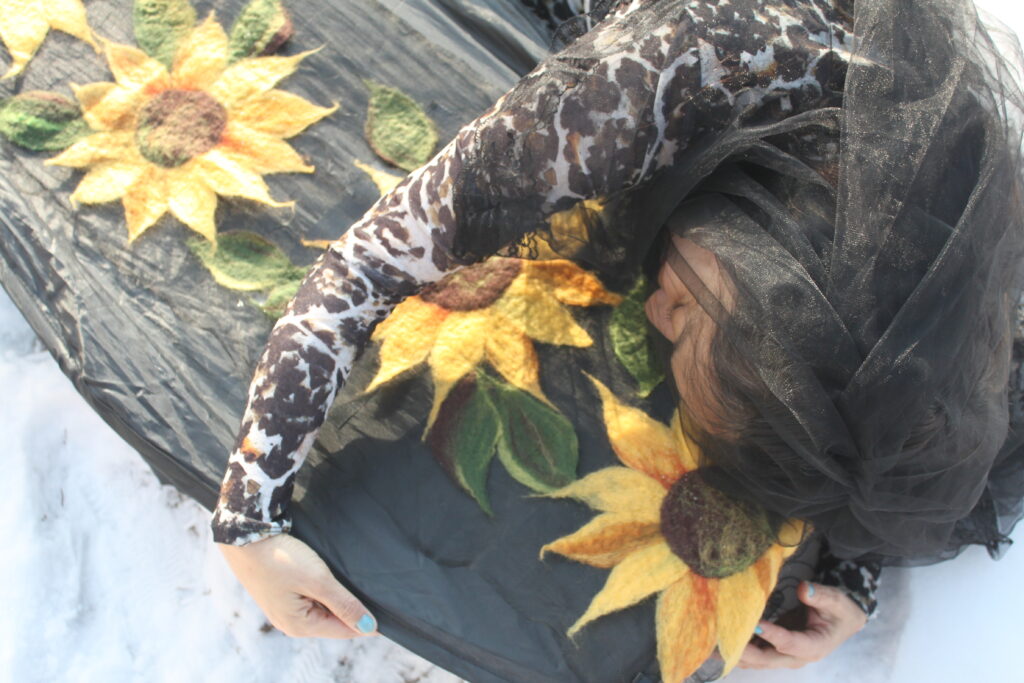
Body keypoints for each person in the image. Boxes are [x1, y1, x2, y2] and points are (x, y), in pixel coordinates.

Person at [213, 0, 1024, 677]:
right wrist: (250, 520)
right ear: (758, 240)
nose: (654, 317)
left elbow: (908, 409)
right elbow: (366, 265)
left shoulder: (942, 252)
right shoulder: (648, 90)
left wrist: (854, 571)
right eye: (688, 311)